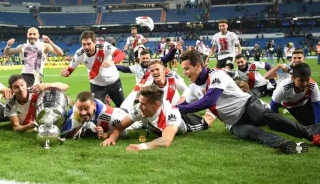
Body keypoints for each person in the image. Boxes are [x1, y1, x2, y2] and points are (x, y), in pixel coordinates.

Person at [176, 49, 320, 154]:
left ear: (198, 66)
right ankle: (283, 144)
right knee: (253, 134)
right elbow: (186, 105)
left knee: (268, 117)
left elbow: (210, 100)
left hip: (247, 105)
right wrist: (173, 108)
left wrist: (182, 109)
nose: (185, 73)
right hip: (233, 123)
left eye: (187, 68)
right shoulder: (194, 88)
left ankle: (311, 135)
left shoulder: (217, 74)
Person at [100, 85, 210, 151]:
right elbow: (121, 126)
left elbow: (166, 140)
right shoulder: (139, 107)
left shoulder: (171, 113)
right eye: (140, 102)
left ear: (157, 105)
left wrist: (141, 146)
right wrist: (112, 138)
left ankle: (211, 106)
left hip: (186, 121)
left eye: (144, 104)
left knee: (207, 121)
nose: (139, 106)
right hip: (154, 124)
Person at [61, 30, 126, 107]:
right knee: (96, 110)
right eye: (83, 44)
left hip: (114, 82)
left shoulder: (104, 46)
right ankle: (106, 100)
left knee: (122, 107)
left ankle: (107, 99)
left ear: (95, 42)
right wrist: (65, 73)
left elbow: (121, 54)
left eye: (89, 44)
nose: (86, 47)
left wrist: (112, 61)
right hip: (97, 85)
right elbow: (69, 70)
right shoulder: (79, 54)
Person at [5, 74, 69, 132]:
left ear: (26, 84)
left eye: (22, 85)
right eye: (16, 87)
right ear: (11, 89)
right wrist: (27, 127)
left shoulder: (35, 91)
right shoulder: (10, 104)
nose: (21, 89)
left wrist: (46, 85)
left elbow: (65, 86)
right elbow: (16, 127)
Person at [61, 91, 129, 139]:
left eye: (86, 108)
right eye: (80, 109)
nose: (83, 112)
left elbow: (124, 132)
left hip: (123, 113)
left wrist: (106, 134)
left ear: (94, 105)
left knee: (136, 121)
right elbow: (62, 132)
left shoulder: (108, 115)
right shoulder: (74, 112)